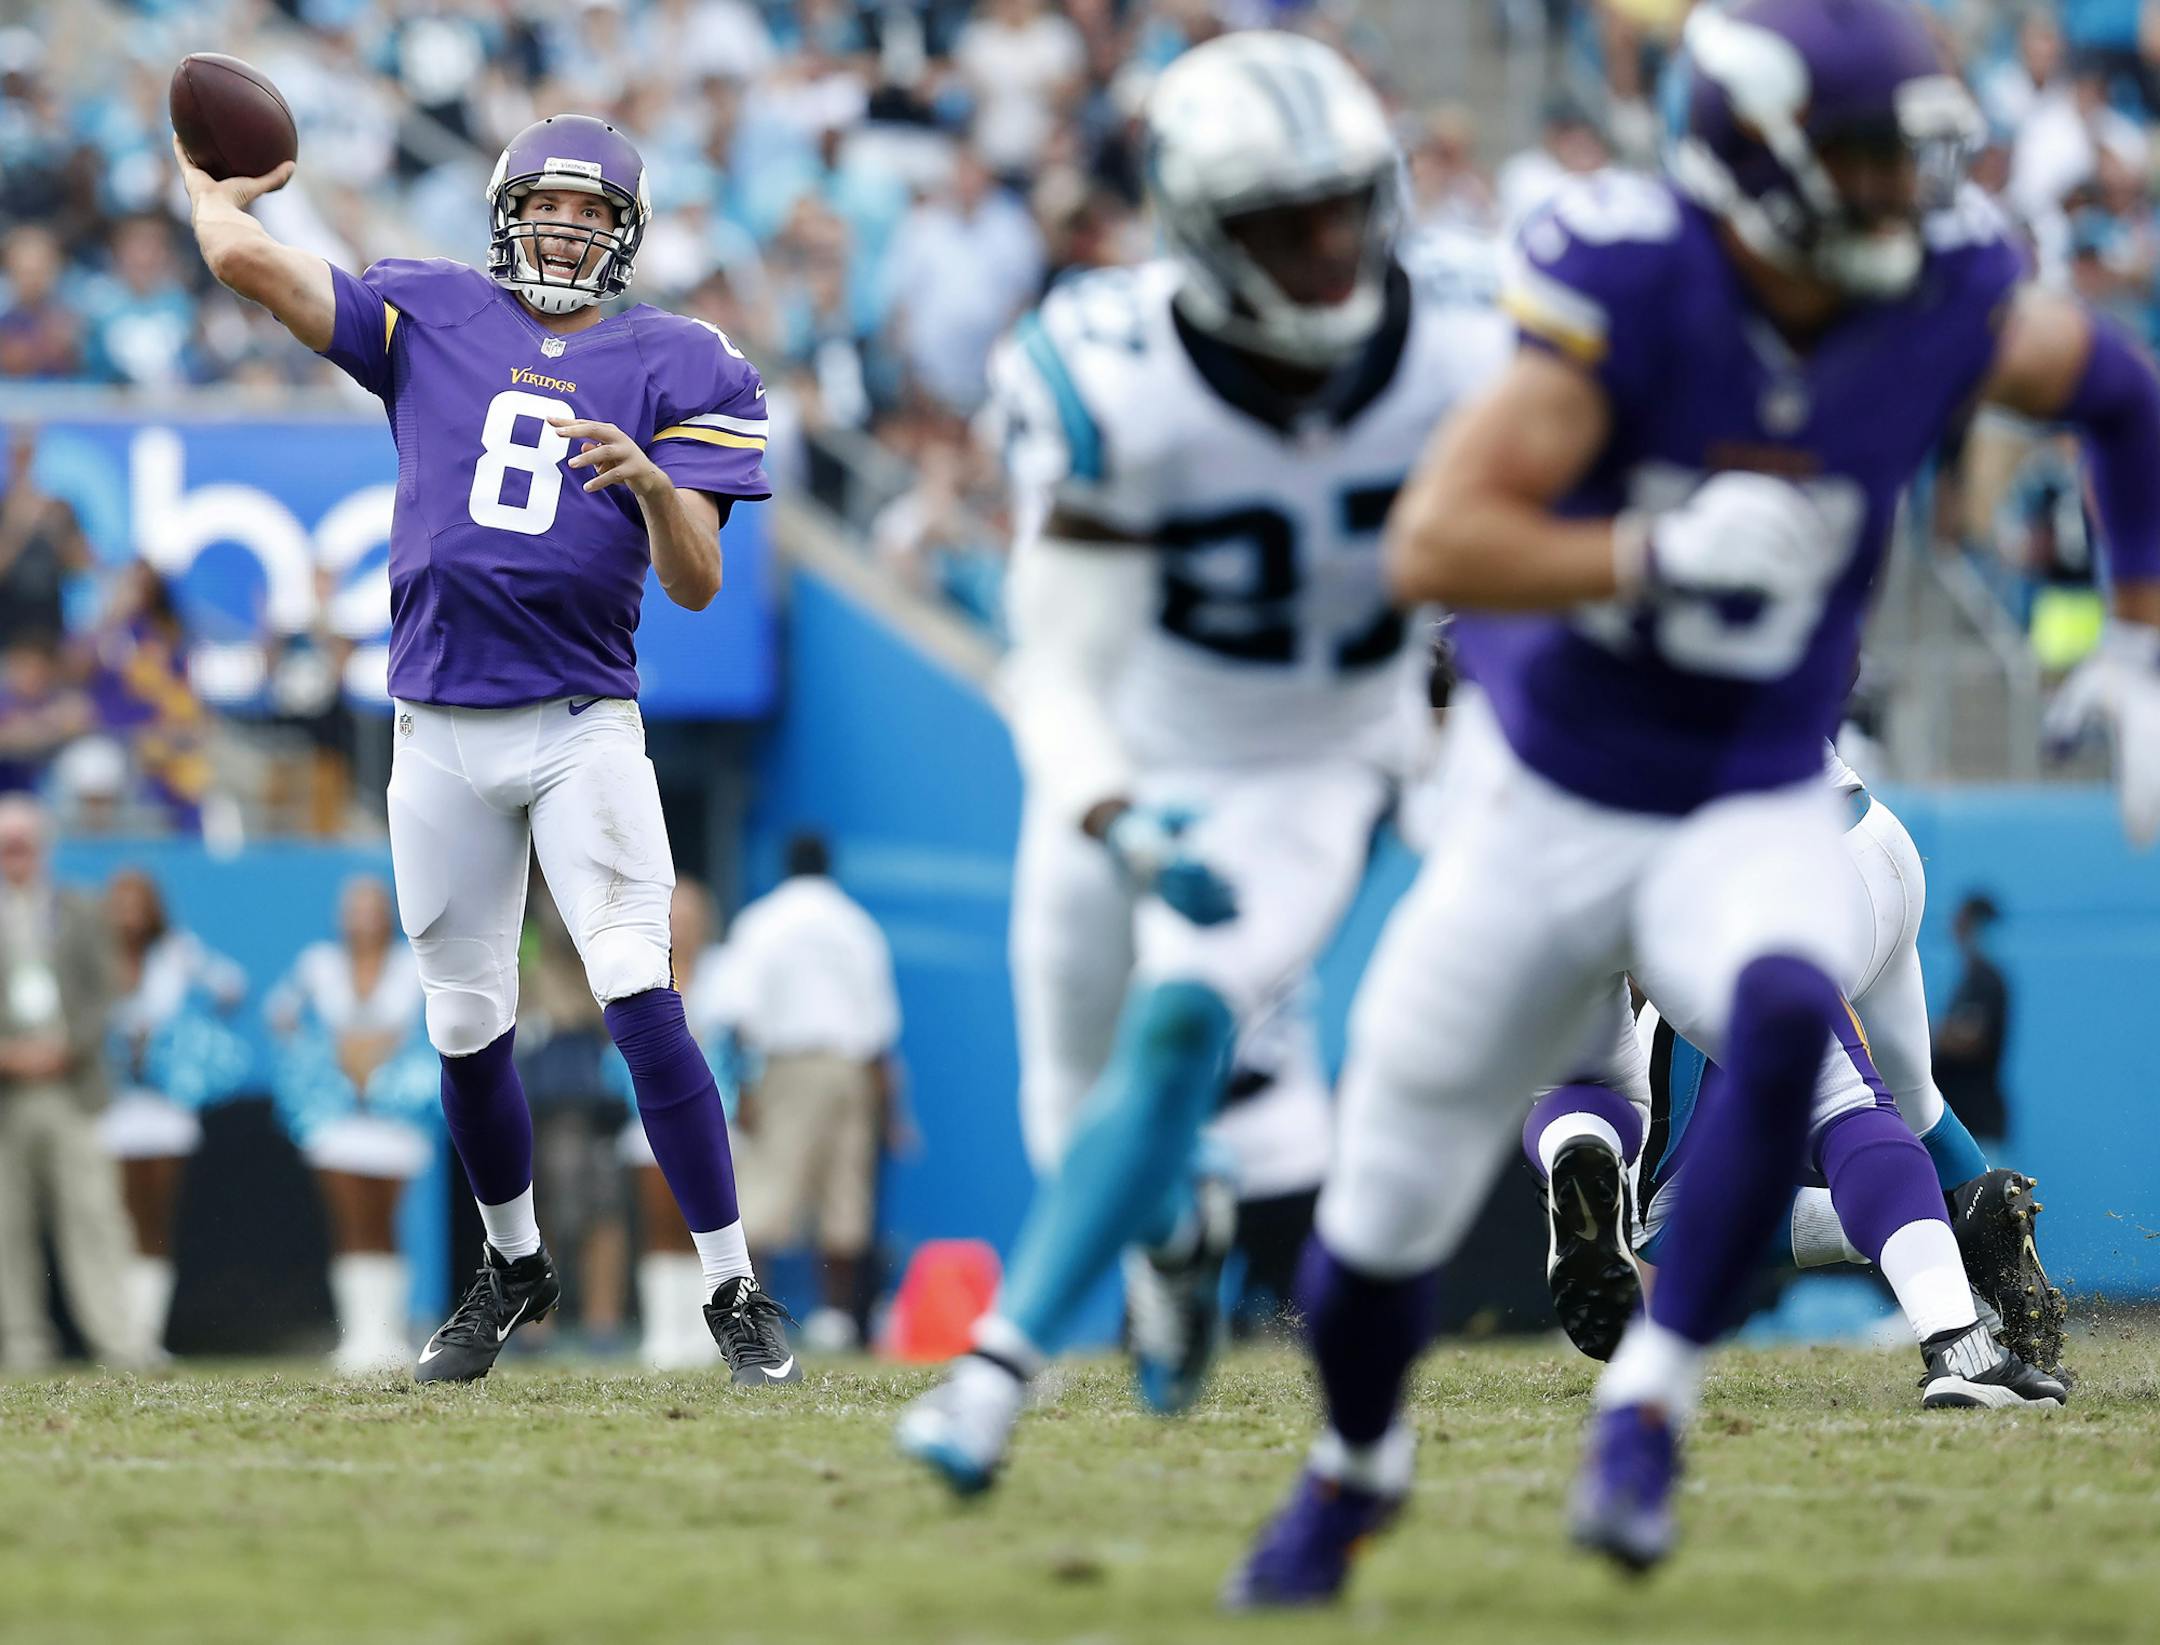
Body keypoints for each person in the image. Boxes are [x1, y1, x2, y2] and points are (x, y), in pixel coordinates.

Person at [1231, 0, 2160, 1600]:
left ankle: (1645, 1418)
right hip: (1553, 794)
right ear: (1757, 158)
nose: (1902, 195)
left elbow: (2120, 392)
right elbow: (1439, 542)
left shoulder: (1937, 287)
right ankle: (1351, 1476)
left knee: (1793, 1022)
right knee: (1385, 1179)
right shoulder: (1635, 283)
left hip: (1749, 796)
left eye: (1907, 159)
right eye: (1864, 159)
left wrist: (2138, 639)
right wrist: (1647, 552)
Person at [894, 31, 1512, 1495]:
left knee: (1182, 1023)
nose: (1331, 250)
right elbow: (1055, 662)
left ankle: (992, 1379)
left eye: (1346, 208)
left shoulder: (1471, 335)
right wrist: (1114, 812)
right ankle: (1171, 1239)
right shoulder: (1114, 376)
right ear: (1202, 230)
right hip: (1135, 752)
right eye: (1287, 224)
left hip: (1317, 759)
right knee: (1070, 1107)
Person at [175, 111, 796, 1386]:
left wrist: (655, 485)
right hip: (436, 724)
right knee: (464, 1023)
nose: (565, 228)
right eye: (547, 205)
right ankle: (513, 1264)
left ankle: (733, 1284)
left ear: (624, 233)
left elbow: (695, 583)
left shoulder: (680, 361)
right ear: (508, 215)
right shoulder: (431, 309)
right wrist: (212, 188)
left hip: (579, 723)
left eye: (590, 211)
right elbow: (246, 262)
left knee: (638, 990)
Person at [1518, 765, 2065, 1380]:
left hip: (1642, 865)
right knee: (1900, 1105)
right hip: (1853, 841)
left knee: (1607, 1126)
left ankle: (1955, 1331)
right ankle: (1970, 1264)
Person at [703, 832, 901, 1354]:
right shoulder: (857, 926)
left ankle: (753, 1319)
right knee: (846, 1194)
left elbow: (737, 1013)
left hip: (787, 1068)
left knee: (766, 1193)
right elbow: (880, 1028)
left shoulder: (763, 922)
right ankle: (836, 1320)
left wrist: (744, 1089)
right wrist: (893, 1113)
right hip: (851, 1070)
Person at [266, 876, 433, 1372]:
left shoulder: (411, 964)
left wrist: (389, 1052)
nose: (363, 919)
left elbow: (437, 1019)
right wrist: (323, 1054)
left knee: (385, 1220)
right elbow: (279, 1012)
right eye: (354, 909)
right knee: (350, 1221)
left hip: (394, 1111)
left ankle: (389, 1335)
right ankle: (358, 1337)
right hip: (337, 1113)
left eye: (372, 908)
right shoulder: (318, 964)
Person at [0, 794, 142, 1370]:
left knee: (94, 1215)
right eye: (6, 845)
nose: (15, 854)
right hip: (6, 1094)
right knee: (7, 1224)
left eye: (23, 843)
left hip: (72, 1087)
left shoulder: (79, 908)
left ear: (43, 847)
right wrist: (8, 1054)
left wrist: (67, 1047)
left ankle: (118, 1342)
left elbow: (103, 993)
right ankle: (23, 1344)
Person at [102, 866, 248, 1359]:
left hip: (165, 1105)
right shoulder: (96, 955)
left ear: (153, 909)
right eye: (121, 903)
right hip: (110, 1103)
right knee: (113, 1216)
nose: (129, 914)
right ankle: (113, 1330)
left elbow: (231, 986)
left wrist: (188, 1036)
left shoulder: (177, 953)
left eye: (138, 903)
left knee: (153, 1218)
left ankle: (143, 1335)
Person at [1934, 893, 2012, 1149]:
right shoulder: (1970, 978)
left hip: (1977, 1121)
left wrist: (1922, 1036)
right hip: (1963, 1119)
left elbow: (1969, 1040)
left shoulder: (1986, 980)